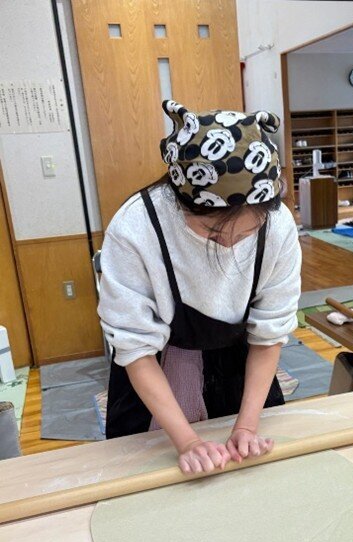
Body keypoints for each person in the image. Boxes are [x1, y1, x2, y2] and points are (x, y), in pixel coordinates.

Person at [97, 100, 301, 475]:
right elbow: (135, 348)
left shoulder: (279, 226)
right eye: (212, 233)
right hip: (154, 368)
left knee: (254, 476)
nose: (230, 246)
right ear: (181, 204)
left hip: (241, 363)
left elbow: (270, 333)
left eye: (247, 233)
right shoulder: (135, 228)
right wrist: (188, 442)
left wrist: (246, 426)